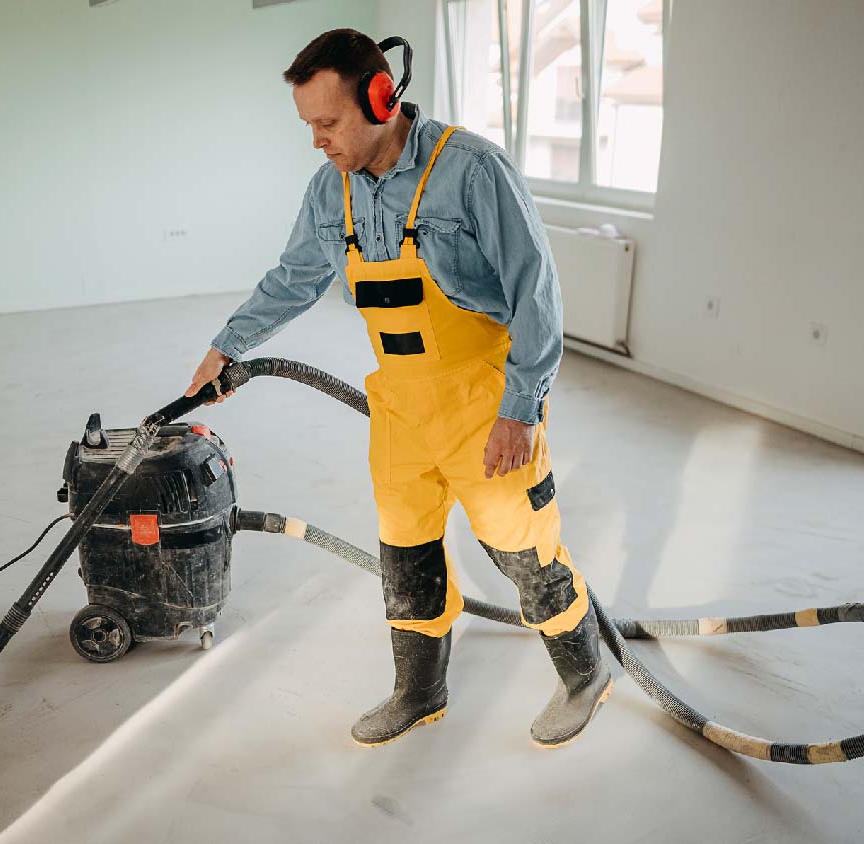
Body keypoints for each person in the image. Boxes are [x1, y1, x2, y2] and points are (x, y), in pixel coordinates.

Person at [185, 28, 609, 749]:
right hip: (400, 407)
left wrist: (522, 408)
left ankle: (584, 675)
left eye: (328, 122)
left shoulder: (470, 169)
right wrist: (227, 347)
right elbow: (294, 278)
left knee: (522, 550)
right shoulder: (330, 190)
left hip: (484, 399)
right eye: (308, 125)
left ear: (382, 98)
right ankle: (420, 691)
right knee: (405, 552)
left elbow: (535, 289)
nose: (317, 141)